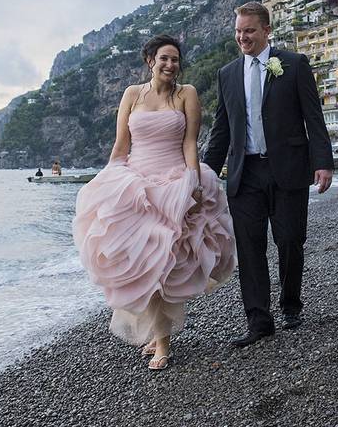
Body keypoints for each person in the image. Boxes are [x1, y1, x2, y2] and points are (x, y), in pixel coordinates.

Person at [73, 35, 235, 371]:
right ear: (151, 60)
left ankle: (163, 342)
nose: (170, 65)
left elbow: (190, 143)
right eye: (164, 58)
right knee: (141, 264)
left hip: (173, 181)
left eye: (175, 59)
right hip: (137, 185)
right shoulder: (132, 95)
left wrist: (193, 181)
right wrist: (105, 183)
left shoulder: (186, 94)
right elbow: (121, 147)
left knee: (164, 262)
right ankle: (155, 331)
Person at [203, 1, 334, 348]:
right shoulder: (227, 74)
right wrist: (203, 174)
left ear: (266, 31)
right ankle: (259, 320)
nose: (242, 37)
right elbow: (221, 129)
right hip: (245, 174)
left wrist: (323, 162)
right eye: (238, 31)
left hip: (288, 168)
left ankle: (291, 304)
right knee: (250, 248)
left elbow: (313, 118)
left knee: (290, 241)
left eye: (249, 31)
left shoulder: (293, 65)